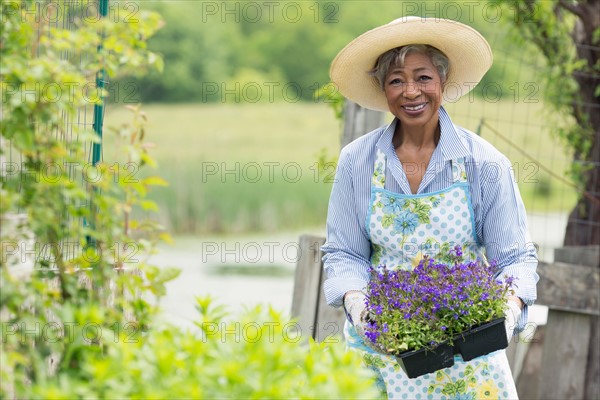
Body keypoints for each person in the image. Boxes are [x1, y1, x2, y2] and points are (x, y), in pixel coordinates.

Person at [322, 16, 539, 399]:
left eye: (422, 77)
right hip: (382, 356)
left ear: (442, 81)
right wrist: (357, 304)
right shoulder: (357, 161)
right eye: (396, 80)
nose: (411, 92)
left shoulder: (484, 164)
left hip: (468, 364)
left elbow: (516, 258)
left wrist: (508, 309)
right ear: (382, 89)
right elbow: (344, 253)